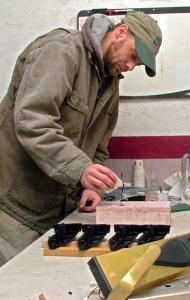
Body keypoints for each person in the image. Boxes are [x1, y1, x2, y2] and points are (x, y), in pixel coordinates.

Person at [0, 10, 162, 266]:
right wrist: (80, 169)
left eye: (138, 64)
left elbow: (99, 144)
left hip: (56, 209)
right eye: (133, 56)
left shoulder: (109, 81)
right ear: (120, 32)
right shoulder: (60, 51)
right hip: (15, 209)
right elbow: (33, 120)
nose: (131, 66)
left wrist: (90, 185)